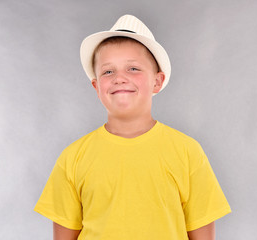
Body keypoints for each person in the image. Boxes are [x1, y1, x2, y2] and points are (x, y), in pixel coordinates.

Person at [34, 14, 231, 240]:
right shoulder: (72, 158)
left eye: (133, 69)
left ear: (157, 81)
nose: (119, 78)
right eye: (108, 71)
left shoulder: (188, 152)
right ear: (97, 86)